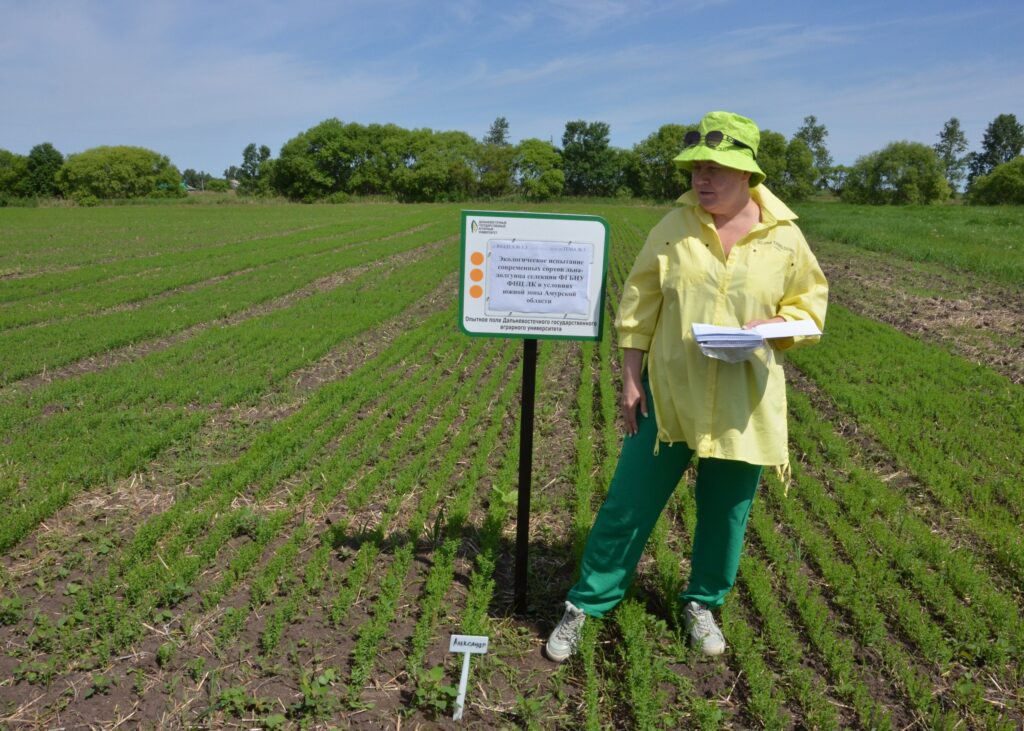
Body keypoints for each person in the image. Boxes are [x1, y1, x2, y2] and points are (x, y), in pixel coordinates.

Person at [545, 111, 828, 661]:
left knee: (726, 513)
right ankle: (587, 602)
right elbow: (638, 306)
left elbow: (809, 307)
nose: (702, 178)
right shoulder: (673, 228)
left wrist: (774, 326)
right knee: (629, 503)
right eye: (696, 168)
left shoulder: (785, 237)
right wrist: (631, 380)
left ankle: (702, 602)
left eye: (715, 168)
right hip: (669, 394)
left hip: (743, 402)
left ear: (746, 173)